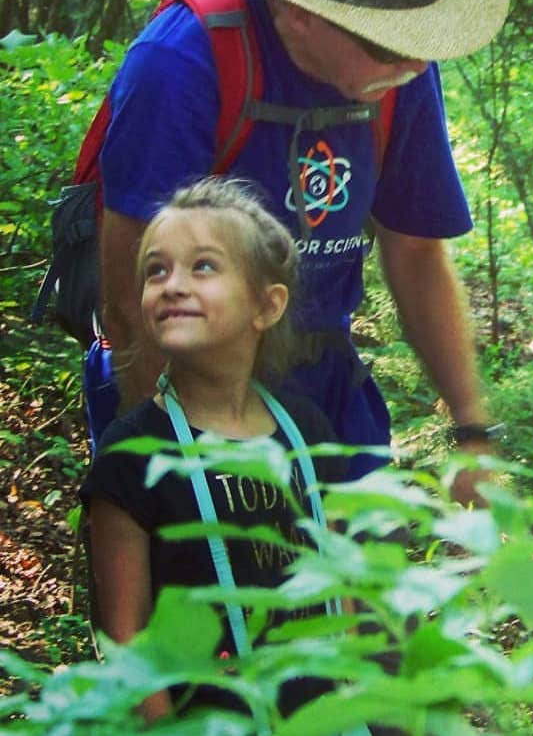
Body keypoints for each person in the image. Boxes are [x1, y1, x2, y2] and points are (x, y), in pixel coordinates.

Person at [96, 0, 510, 491]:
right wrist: (166, 458)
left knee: (365, 555)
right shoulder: (182, 60)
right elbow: (131, 291)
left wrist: (472, 427)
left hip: (325, 384)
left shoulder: (402, 75)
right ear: (299, 12)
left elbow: (417, 251)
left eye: (422, 36)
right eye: (386, 42)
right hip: (188, 379)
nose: (413, 60)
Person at [81, 177, 349, 724]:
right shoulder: (131, 456)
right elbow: (127, 644)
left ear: (266, 306)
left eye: (202, 266)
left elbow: (342, 588)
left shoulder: (309, 433)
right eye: (156, 270)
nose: (172, 285)